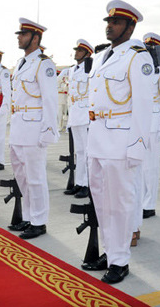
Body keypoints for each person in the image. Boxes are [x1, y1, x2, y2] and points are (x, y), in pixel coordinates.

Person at [83, 0, 153, 284]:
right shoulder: (102, 57)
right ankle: (111, 252)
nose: (109, 26)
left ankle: (120, 260)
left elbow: (144, 105)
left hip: (121, 141)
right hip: (98, 139)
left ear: (130, 25)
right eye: (108, 22)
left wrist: (137, 147)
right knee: (101, 202)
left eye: (115, 22)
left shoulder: (138, 57)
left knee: (120, 203)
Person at [8, 18, 58, 238]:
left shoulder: (43, 63)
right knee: (22, 176)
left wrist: (48, 131)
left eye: (23, 34)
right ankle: (28, 217)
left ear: (35, 38)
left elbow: (50, 100)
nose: (19, 37)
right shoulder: (21, 62)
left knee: (35, 177)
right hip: (19, 126)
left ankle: (39, 221)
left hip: (34, 128)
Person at [140, 33, 160, 221]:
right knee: (140, 166)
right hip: (141, 123)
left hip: (154, 124)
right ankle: (141, 200)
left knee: (151, 167)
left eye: (151, 48)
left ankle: (149, 204)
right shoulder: (143, 70)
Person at [63, 39, 93, 199]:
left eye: (80, 51)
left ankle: (87, 184)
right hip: (75, 115)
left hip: (85, 115)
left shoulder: (91, 68)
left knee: (87, 152)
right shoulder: (72, 70)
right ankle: (79, 183)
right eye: (76, 50)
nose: (76, 53)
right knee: (79, 152)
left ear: (87, 53)